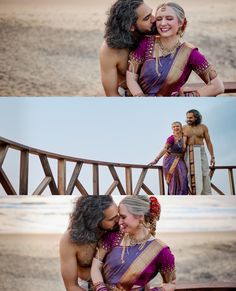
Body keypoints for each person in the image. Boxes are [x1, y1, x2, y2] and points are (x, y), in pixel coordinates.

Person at [126, 2, 225, 96]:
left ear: (181, 22)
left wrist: (188, 97)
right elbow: (131, 78)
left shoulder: (189, 53)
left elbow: (218, 86)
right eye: (159, 19)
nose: (163, 23)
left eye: (169, 18)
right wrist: (141, 99)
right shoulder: (145, 44)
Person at [91, 195, 176, 291]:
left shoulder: (161, 251)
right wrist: (101, 289)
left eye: (123, 217)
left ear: (140, 216)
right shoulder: (112, 237)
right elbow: (96, 267)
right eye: (119, 217)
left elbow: (171, 284)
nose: (119, 222)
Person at [59, 195, 119, 291]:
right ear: (94, 221)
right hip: (87, 287)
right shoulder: (70, 240)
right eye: (111, 219)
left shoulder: (119, 228)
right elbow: (71, 286)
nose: (118, 220)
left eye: (118, 215)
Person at [100, 0, 156, 96]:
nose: (154, 19)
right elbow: (112, 94)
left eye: (151, 13)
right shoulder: (110, 49)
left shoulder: (157, 32)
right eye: (147, 18)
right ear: (131, 27)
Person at [149, 121, 188, 195]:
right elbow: (165, 149)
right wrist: (156, 160)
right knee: (173, 179)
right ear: (172, 129)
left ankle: (183, 197)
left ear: (181, 127)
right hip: (170, 160)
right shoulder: (171, 138)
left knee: (183, 177)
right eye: (174, 127)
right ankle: (174, 197)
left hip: (180, 159)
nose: (176, 128)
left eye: (177, 126)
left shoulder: (185, 137)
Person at [183, 109, 215, 195]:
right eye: (187, 117)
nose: (188, 119)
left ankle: (206, 194)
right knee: (189, 173)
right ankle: (192, 195)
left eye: (191, 117)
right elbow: (178, 142)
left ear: (196, 117)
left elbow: (208, 142)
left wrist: (212, 157)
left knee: (205, 172)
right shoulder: (184, 128)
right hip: (189, 151)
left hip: (201, 150)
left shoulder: (203, 127)